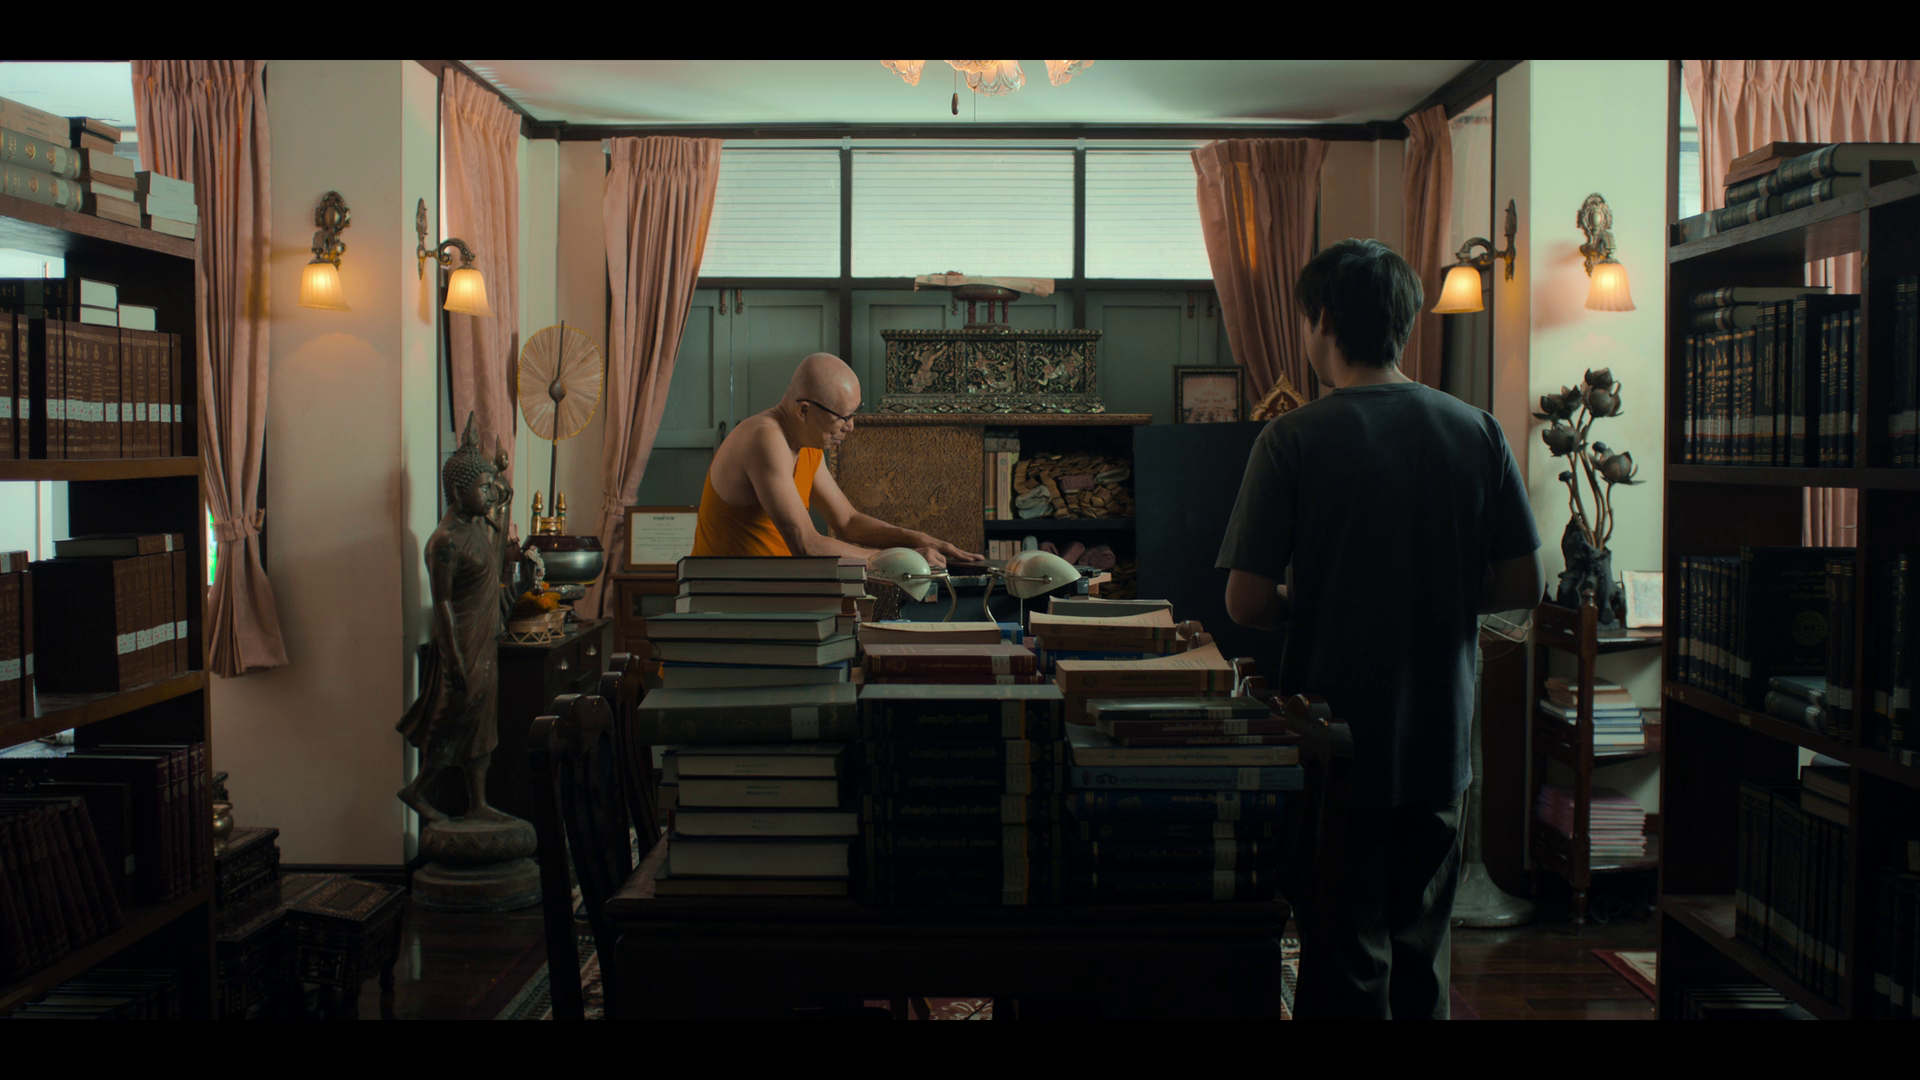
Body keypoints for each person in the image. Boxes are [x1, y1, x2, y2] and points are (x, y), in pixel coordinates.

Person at [1216, 239, 1544, 1020]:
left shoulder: (1292, 438)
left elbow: (1247, 602)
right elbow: (1522, 586)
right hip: (1440, 738)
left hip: (1335, 743)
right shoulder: (1477, 431)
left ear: (1324, 320)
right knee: (1420, 953)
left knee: (1342, 955)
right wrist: (1431, 595)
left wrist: (1317, 600)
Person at [691, 352, 981, 568]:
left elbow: (847, 521)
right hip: (723, 598)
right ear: (804, 411)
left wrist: (917, 539)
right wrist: (900, 559)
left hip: (772, 593)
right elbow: (806, 544)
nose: (851, 426)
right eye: (843, 417)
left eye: (854, 414)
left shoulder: (806, 443)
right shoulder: (764, 438)